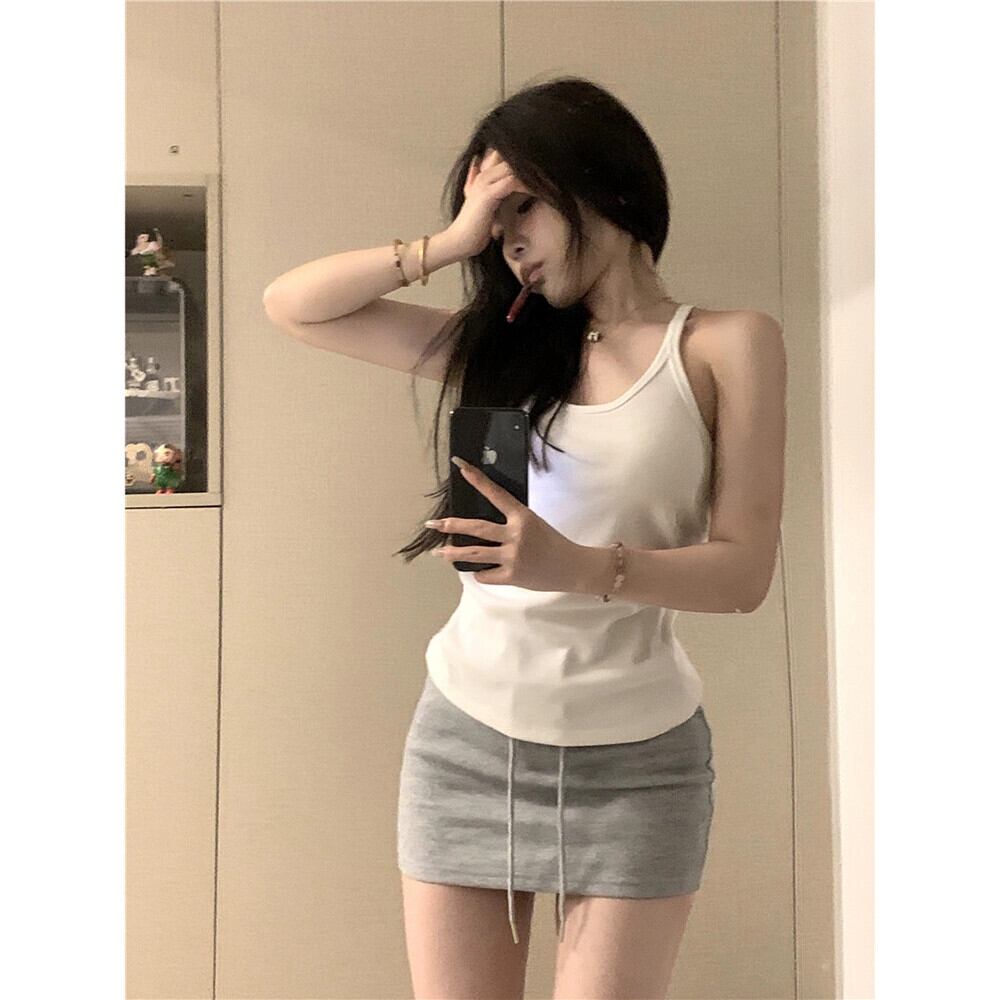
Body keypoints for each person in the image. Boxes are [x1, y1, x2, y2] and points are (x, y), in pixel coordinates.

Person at [264, 75, 786, 1000]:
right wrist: (448, 242)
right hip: (467, 742)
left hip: (640, 765)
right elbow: (294, 305)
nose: (506, 242)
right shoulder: (499, 352)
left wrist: (574, 566)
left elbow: (743, 574)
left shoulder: (725, 345)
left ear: (604, 184)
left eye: (521, 209)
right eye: (493, 224)